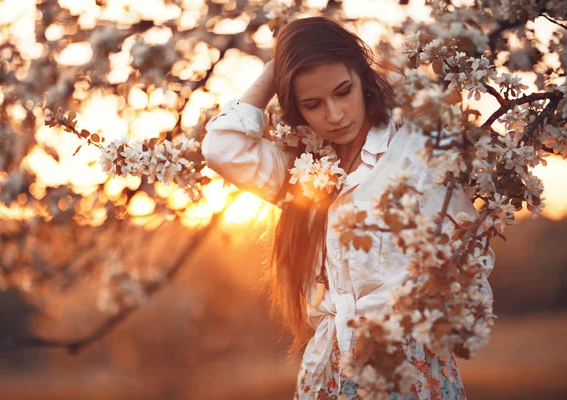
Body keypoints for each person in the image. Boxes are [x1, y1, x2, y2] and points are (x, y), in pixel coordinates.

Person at [202, 16, 492, 400]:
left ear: (362, 77)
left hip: (408, 366)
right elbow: (221, 148)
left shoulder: (416, 149)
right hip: (327, 370)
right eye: (312, 104)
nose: (334, 114)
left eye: (343, 91)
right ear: (295, 107)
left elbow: (469, 248)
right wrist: (279, 64)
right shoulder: (300, 167)